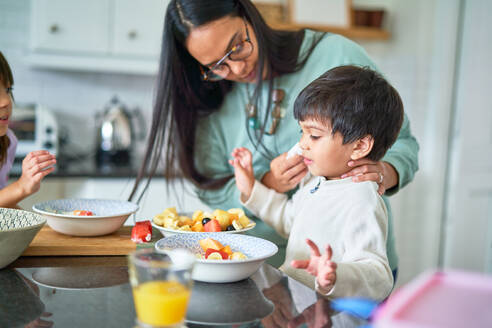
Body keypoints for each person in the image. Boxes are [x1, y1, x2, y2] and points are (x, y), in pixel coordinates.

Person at [129, 0, 419, 272]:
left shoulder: (335, 55)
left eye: (238, 46)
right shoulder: (205, 99)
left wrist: (383, 171)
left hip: (352, 269)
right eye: (218, 66)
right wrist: (267, 184)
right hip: (256, 267)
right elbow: (212, 188)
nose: (238, 68)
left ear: (249, 17)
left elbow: (403, 143)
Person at [229, 65, 402, 300]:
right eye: (302, 133)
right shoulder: (315, 181)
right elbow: (289, 220)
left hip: (329, 315)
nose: (302, 144)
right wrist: (250, 187)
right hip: (297, 305)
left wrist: (335, 275)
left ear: (360, 146)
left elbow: (378, 276)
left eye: (314, 135)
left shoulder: (361, 198)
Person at [0, 51, 56, 208]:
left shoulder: (7, 142)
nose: (6, 102)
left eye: (8, 90)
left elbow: (3, 206)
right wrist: (21, 187)